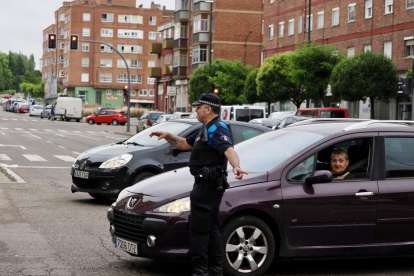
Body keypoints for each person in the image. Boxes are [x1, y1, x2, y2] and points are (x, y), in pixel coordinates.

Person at [149, 93, 247, 276]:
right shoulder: (205, 128)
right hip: (204, 186)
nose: (195, 109)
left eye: (198, 106)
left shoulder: (217, 128)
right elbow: (185, 144)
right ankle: (214, 271)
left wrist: (237, 166)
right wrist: (168, 135)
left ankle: (201, 272)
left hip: (207, 187)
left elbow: (228, 149)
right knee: (209, 230)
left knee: (199, 231)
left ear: (208, 109)